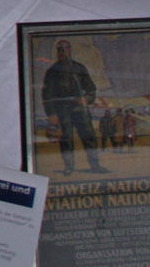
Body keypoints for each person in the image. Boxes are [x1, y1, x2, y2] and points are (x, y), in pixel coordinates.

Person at [42, 39, 105, 173]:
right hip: (63, 110)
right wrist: (52, 114)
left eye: (65, 49)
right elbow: (47, 95)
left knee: (89, 137)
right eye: (60, 50)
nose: (63, 52)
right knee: (66, 139)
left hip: (80, 110)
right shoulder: (52, 71)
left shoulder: (79, 68)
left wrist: (86, 99)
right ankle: (69, 167)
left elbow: (91, 89)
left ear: (70, 50)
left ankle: (95, 165)